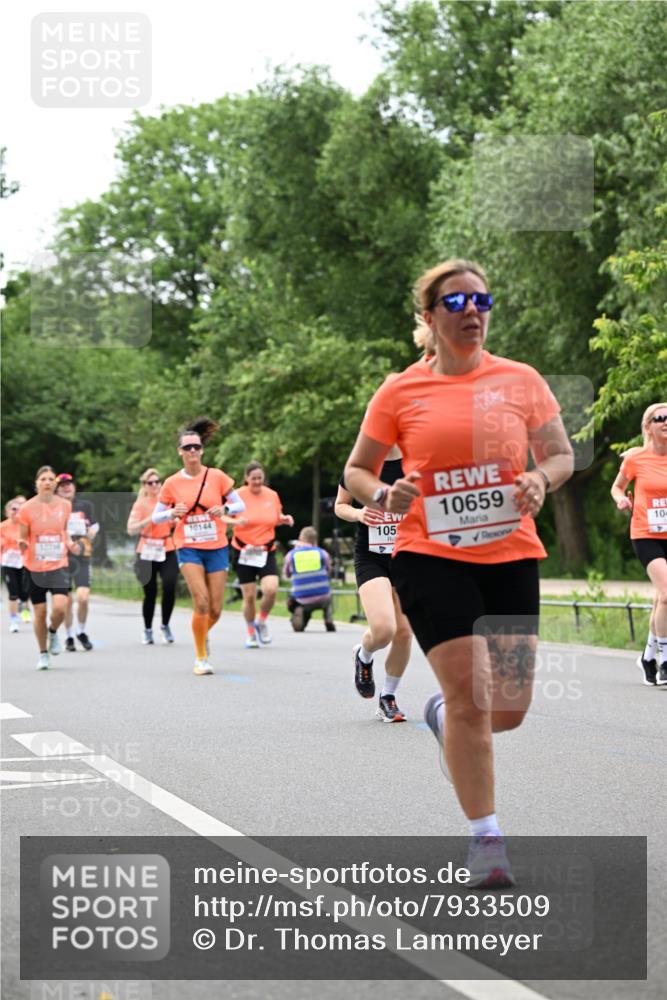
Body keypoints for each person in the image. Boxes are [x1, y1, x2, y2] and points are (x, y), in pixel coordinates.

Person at [345, 258, 574, 887]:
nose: (472, 310)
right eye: (456, 302)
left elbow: (559, 454)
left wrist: (540, 478)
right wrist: (384, 493)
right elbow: (357, 470)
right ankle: (487, 839)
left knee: (509, 709)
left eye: (482, 300)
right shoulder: (400, 391)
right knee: (474, 700)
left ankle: (441, 716)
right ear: (430, 316)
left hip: (511, 555)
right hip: (430, 556)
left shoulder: (521, 380)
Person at [152, 417, 245, 675]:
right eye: (187, 447)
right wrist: (171, 513)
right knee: (201, 603)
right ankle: (201, 657)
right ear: (180, 452)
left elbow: (240, 504)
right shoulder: (172, 483)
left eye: (196, 447)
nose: (192, 451)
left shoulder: (216, 476)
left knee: (215, 609)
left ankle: (201, 636)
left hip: (217, 546)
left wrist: (224, 509)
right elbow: (156, 517)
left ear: (202, 450)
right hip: (188, 546)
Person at [335, 446, 412, 723]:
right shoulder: (362, 465)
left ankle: (388, 697)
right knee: (384, 629)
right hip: (372, 556)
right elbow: (340, 505)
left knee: (404, 633)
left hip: (408, 555)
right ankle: (364, 654)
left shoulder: (417, 461)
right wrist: (359, 514)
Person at [611, 402, 667, 685]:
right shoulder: (636, 458)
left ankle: (647, 657)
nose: (666, 421)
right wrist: (621, 499)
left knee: (661, 599)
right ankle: (665, 661)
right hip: (646, 534)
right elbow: (617, 486)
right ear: (648, 426)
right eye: (661, 418)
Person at [17, 466, 79, 669]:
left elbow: (65, 531)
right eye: (43, 479)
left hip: (58, 564)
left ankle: (53, 631)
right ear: (36, 483)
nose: (47, 482)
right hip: (34, 566)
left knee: (60, 608)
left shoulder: (65, 505)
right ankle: (43, 653)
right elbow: (23, 536)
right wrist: (22, 544)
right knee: (40, 611)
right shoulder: (27, 508)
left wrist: (71, 543)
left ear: (55, 483)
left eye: (51, 479)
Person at [230, 461, 294, 648]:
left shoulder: (272, 495)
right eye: (253, 478)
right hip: (243, 551)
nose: (257, 482)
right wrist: (235, 522)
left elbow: (275, 517)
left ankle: (262, 621)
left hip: (266, 551)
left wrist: (284, 519)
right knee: (249, 596)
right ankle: (250, 632)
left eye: (260, 478)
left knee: (271, 589)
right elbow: (223, 516)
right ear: (246, 478)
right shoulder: (237, 496)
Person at [127, 468, 178, 645]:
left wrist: (175, 519)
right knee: (150, 592)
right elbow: (131, 529)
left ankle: (165, 625)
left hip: (166, 547)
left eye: (157, 481)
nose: (155, 485)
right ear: (144, 485)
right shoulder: (140, 504)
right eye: (151, 483)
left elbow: (176, 522)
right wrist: (151, 519)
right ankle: (148, 629)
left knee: (170, 585)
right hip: (147, 548)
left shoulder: (167, 502)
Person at [54, 473, 98, 651]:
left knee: (83, 597)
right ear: (57, 490)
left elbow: (95, 524)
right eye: (62, 485)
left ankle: (81, 631)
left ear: (74, 487)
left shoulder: (85, 505)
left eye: (69, 484)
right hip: (62, 556)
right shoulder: (53, 507)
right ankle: (69, 636)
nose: (66, 487)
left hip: (82, 554)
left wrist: (92, 531)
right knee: (67, 601)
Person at [283, 526, 336, 632]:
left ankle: (300, 613)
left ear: (300, 539)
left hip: (301, 599)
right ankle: (328, 616)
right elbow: (328, 570)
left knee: (292, 601)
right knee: (329, 597)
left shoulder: (291, 555)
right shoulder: (322, 553)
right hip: (323, 597)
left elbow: (286, 574)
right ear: (315, 540)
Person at [1, 497, 31, 632]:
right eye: (13, 509)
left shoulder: (25, 526)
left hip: (24, 561)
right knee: (13, 593)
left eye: (19, 509)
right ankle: (14, 620)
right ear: (7, 511)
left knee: (24, 592)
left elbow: (31, 542)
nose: (16, 512)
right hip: (8, 563)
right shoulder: (2, 526)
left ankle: (25, 610)